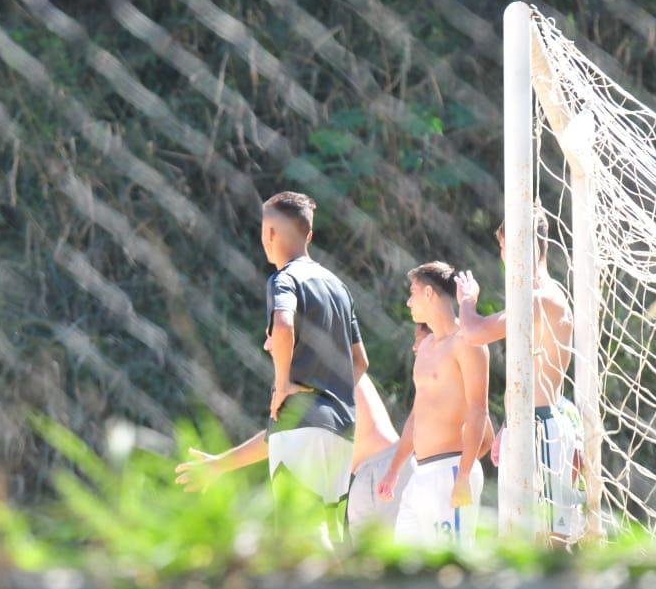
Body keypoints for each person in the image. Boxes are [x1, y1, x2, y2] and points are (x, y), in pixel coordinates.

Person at [174, 323, 428, 541]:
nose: (266, 345)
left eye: (272, 335)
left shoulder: (316, 368)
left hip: (383, 473)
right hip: (374, 474)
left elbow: (275, 437)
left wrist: (220, 464)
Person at [454, 212, 583, 543]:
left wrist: (467, 302)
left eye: (505, 245)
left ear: (527, 246)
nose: (502, 254)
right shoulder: (534, 296)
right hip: (525, 424)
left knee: (551, 540)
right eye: (500, 246)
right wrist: (509, 425)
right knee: (518, 541)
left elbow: (474, 332)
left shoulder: (545, 298)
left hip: (543, 427)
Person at [258, 191, 366, 545]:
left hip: (299, 425)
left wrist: (283, 384)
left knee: (298, 537)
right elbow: (360, 361)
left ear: (270, 233)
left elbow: (285, 327)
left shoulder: (284, 279)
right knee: (330, 534)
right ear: (309, 235)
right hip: (341, 429)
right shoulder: (338, 287)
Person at [378, 262, 490, 547]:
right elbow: (417, 415)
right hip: (420, 474)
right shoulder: (425, 347)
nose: (408, 301)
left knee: (450, 572)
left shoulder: (467, 341)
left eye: (413, 293)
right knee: (404, 569)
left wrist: (464, 474)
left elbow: (479, 410)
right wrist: (393, 471)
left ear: (429, 293)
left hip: (451, 471)